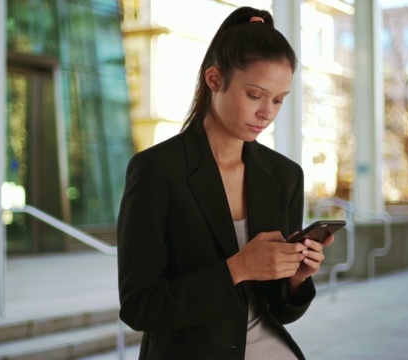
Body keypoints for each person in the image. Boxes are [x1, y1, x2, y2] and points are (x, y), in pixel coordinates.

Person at [117, 6, 334, 360]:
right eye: (254, 95)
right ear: (215, 79)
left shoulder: (285, 175)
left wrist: (296, 276)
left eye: (278, 100)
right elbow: (140, 308)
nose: (267, 112)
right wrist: (238, 268)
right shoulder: (156, 170)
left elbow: (280, 311)